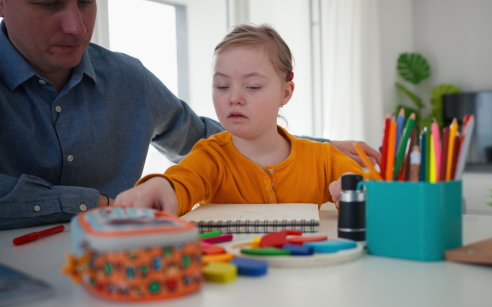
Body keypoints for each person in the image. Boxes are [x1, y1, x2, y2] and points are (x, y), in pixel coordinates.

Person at [0, 0, 380, 230]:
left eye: (85, 1)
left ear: (286, 92)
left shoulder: (130, 79)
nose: (76, 25)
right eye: (47, 3)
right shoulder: (212, 159)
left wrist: (325, 153)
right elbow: (191, 174)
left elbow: (207, 136)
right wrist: (157, 190)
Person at [115, 24, 376, 215]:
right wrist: (162, 186)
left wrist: (356, 189)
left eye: (252, 86)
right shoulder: (210, 156)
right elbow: (182, 183)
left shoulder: (322, 157)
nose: (234, 98)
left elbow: (377, 190)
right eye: (222, 86)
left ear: (285, 92)